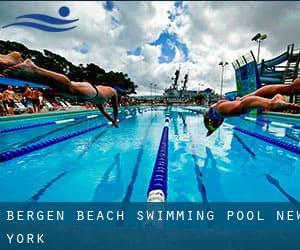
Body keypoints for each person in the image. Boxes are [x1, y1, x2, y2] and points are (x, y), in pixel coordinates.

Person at [4, 59, 132, 127]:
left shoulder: (103, 98)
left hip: (89, 91)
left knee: (56, 86)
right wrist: (115, 119)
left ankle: (17, 63)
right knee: (68, 86)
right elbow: (115, 108)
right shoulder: (113, 92)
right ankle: (33, 67)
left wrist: (112, 120)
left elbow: (103, 111)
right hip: (91, 91)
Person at [204, 78, 300, 136]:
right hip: (220, 106)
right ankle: (290, 88)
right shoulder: (216, 117)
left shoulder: (216, 118)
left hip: (219, 110)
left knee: (242, 105)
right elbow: (207, 119)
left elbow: (208, 122)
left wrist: (210, 130)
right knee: (252, 96)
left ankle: (271, 103)